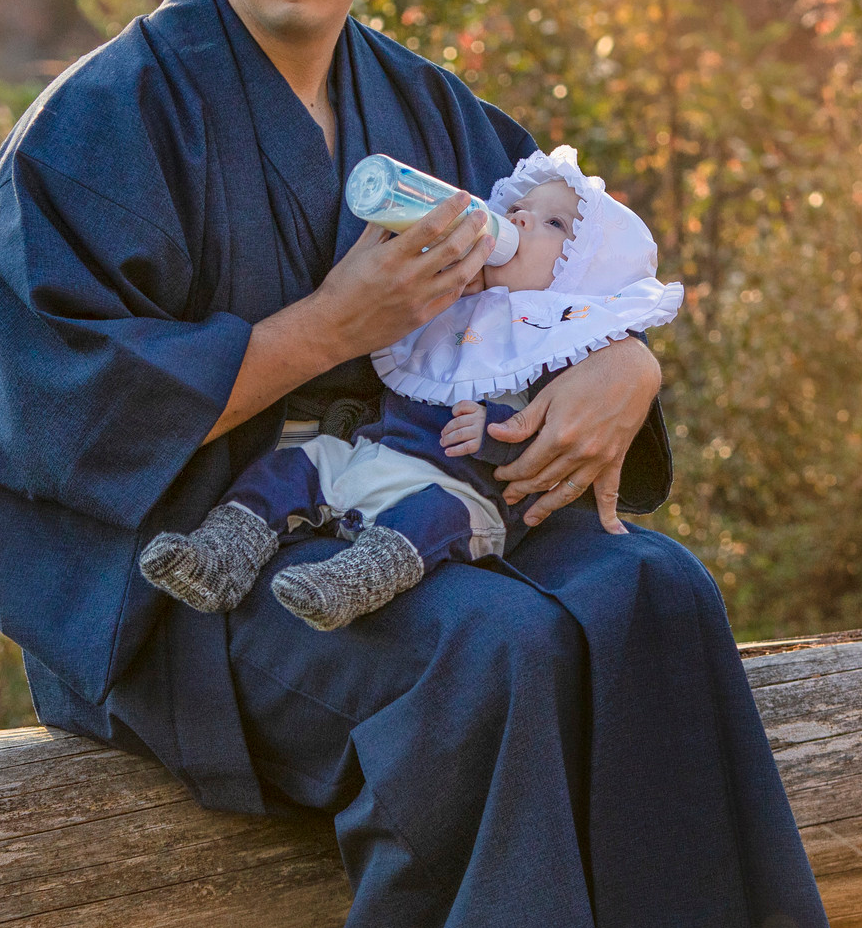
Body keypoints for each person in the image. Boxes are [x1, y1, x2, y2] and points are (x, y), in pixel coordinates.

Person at [0, 0, 833, 928]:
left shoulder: (424, 105)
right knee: (479, 643)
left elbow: (576, 278)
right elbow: (51, 411)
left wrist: (627, 370)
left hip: (429, 498)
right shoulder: (101, 125)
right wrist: (329, 328)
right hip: (194, 573)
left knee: (654, 586)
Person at [139, 145, 683, 632]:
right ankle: (219, 554)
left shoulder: (556, 342)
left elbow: (547, 439)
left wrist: (502, 430)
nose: (518, 217)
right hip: (374, 452)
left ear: (584, 276)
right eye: (523, 207)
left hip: (461, 492)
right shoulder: (459, 300)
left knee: (433, 519)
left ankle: (348, 583)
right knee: (292, 467)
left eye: (555, 224)